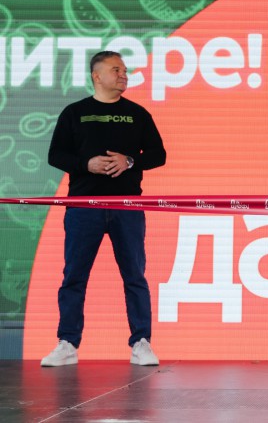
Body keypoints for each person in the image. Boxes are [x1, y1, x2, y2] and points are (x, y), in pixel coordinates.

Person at [41, 50, 167, 367]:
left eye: (124, 70)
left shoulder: (137, 114)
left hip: (127, 207)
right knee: (74, 276)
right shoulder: (75, 112)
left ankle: (141, 342)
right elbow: (56, 155)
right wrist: (87, 164)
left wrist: (130, 161)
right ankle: (67, 343)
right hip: (84, 207)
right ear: (97, 76)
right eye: (116, 70)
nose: (123, 75)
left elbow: (158, 154)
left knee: (135, 276)